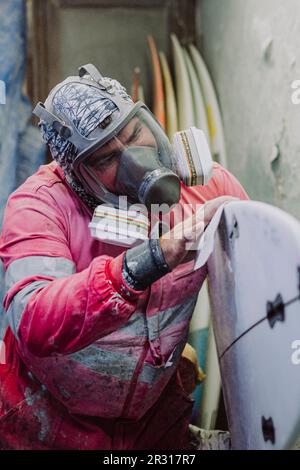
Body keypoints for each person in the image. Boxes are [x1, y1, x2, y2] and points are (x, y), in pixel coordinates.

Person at [0, 64, 248, 450]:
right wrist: (145, 262)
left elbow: (261, 295)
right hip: (51, 423)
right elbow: (34, 317)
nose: (135, 159)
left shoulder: (208, 191)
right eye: (104, 160)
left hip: (152, 421)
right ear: (75, 177)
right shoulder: (39, 206)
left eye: (134, 132)